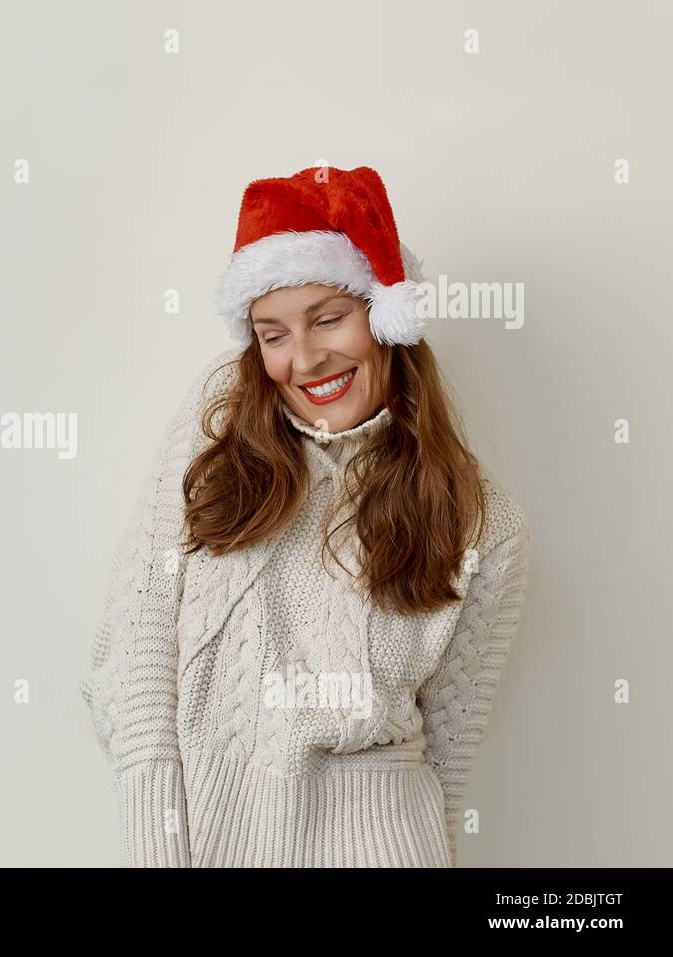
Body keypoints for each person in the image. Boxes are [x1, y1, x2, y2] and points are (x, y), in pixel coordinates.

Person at [79, 165, 531, 867]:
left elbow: (451, 748)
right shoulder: (220, 426)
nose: (305, 358)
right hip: (208, 837)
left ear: (384, 318)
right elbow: (135, 655)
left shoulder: (484, 524)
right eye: (272, 334)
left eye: (328, 318)